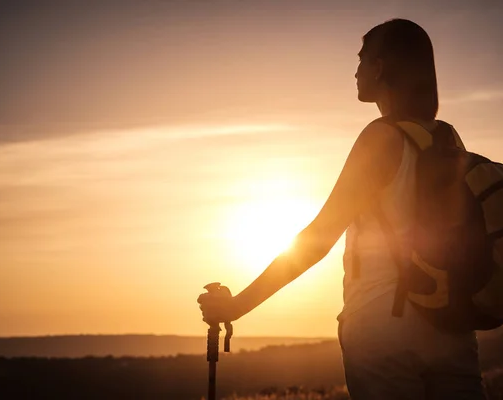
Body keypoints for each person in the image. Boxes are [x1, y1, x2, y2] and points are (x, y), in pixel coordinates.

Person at [198, 18, 486, 399]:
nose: (355, 71)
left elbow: (317, 241)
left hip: (383, 330)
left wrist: (236, 307)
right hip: (452, 328)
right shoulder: (449, 139)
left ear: (379, 67)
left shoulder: (379, 138)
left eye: (361, 59)